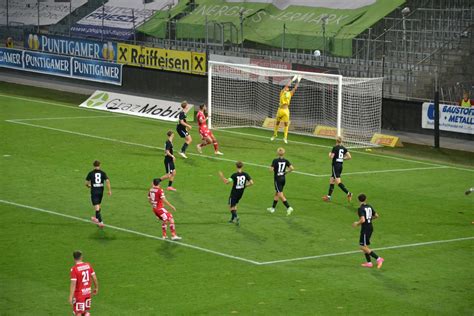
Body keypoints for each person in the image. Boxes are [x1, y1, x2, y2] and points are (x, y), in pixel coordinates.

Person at [352, 194, 384, 269]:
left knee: (362, 246)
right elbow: (376, 215)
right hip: (370, 227)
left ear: (358, 200)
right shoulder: (369, 206)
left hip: (365, 228)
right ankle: (369, 263)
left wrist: (357, 223)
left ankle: (378, 259)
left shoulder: (360, 209)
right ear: (365, 199)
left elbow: (362, 220)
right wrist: (369, 219)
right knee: (365, 246)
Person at [271, 75, 301, 144]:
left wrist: (298, 80)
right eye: (286, 88)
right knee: (277, 123)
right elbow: (287, 85)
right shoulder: (282, 93)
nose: (287, 88)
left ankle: (285, 138)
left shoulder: (290, 93)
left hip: (286, 110)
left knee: (286, 124)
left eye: (287, 88)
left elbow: (295, 88)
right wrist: (292, 79)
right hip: (280, 110)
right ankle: (274, 135)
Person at [322, 137, 353, 202]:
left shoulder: (335, 148)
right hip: (340, 166)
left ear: (336, 141)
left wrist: (329, 154)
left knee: (338, 182)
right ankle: (328, 197)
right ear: (341, 141)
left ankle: (348, 193)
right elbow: (349, 157)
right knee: (331, 180)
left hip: (335, 166)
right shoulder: (344, 148)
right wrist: (343, 159)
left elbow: (331, 157)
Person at [69, 250, 98, 316]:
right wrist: (96, 288)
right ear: (81, 257)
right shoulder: (88, 265)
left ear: (74, 258)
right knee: (86, 312)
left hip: (79, 295)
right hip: (87, 293)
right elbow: (95, 278)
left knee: (78, 313)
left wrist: (70, 296)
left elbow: (73, 284)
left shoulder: (74, 269)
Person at [267, 147, 294, 216]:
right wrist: (286, 172)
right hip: (283, 179)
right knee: (277, 193)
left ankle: (288, 207)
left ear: (277, 153)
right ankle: (273, 208)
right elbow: (292, 168)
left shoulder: (275, 160)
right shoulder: (286, 160)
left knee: (280, 194)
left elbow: (271, 170)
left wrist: (270, 168)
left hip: (277, 179)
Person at [85, 160, 111, 228]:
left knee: (96, 207)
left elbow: (86, 183)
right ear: (99, 165)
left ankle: (100, 221)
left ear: (93, 165)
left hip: (94, 192)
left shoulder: (90, 173)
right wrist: (109, 190)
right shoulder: (103, 173)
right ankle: (98, 220)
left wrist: (89, 186)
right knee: (98, 206)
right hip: (100, 192)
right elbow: (107, 181)